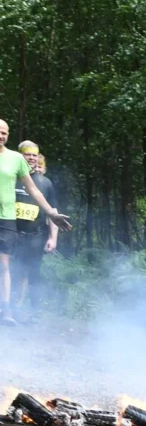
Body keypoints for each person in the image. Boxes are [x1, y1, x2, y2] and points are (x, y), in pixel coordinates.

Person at [0, 120, 71, 325]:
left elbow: (42, 199)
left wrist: (52, 231)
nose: (31, 158)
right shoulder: (14, 166)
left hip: (24, 231)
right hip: (14, 228)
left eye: (5, 132)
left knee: (20, 271)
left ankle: (12, 310)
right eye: (27, 154)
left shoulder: (41, 180)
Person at [12, 140, 59, 318]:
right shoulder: (10, 178)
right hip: (11, 235)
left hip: (35, 236)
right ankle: (10, 308)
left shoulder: (45, 183)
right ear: (20, 155)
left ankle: (33, 312)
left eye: (34, 155)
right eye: (27, 154)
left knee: (33, 274)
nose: (31, 158)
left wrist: (53, 238)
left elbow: (53, 213)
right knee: (10, 272)